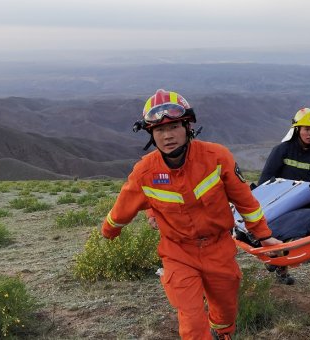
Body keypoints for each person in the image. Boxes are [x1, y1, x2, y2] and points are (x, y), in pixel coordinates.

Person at [100, 89, 282, 340]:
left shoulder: (217, 157)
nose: (168, 135)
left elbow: (245, 201)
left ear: (187, 126)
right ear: (151, 134)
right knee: (192, 320)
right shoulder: (145, 172)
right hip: (178, 253)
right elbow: (123, 206)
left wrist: (264, 236)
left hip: (219, 248)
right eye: (159, 130)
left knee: (226, 309)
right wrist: (109, 231)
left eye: (173, 126)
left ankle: (224, 334)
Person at [257, 107, 310, 285]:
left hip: (306, 207)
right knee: (280, 237)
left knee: (294, 240)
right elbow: (265, 180)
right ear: (297, 129)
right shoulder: (282, 150)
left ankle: (279, 266)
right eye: (307, 129)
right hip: (281, 205)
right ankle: (278, 266)